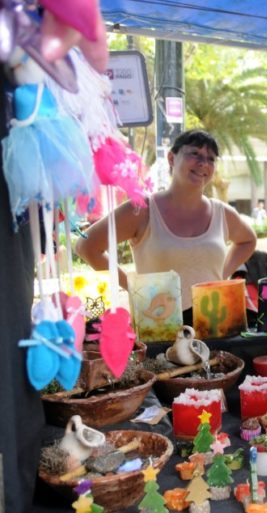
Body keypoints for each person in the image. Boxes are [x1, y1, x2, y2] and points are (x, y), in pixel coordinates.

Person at [0, 5, 109, 512]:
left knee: (44, 255)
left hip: (33, 129)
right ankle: (51, 329)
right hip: (29, 134)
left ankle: (52, 328)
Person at [76, 130, 257, 321]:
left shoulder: (222, 213)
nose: (203, 163)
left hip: (212, 325)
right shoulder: (142, 210)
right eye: (194, 154)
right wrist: (133, 287)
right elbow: (86, 246)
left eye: (210, 159)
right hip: (159, 326)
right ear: (171, 158)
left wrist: (222, 274)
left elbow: (248, 241)